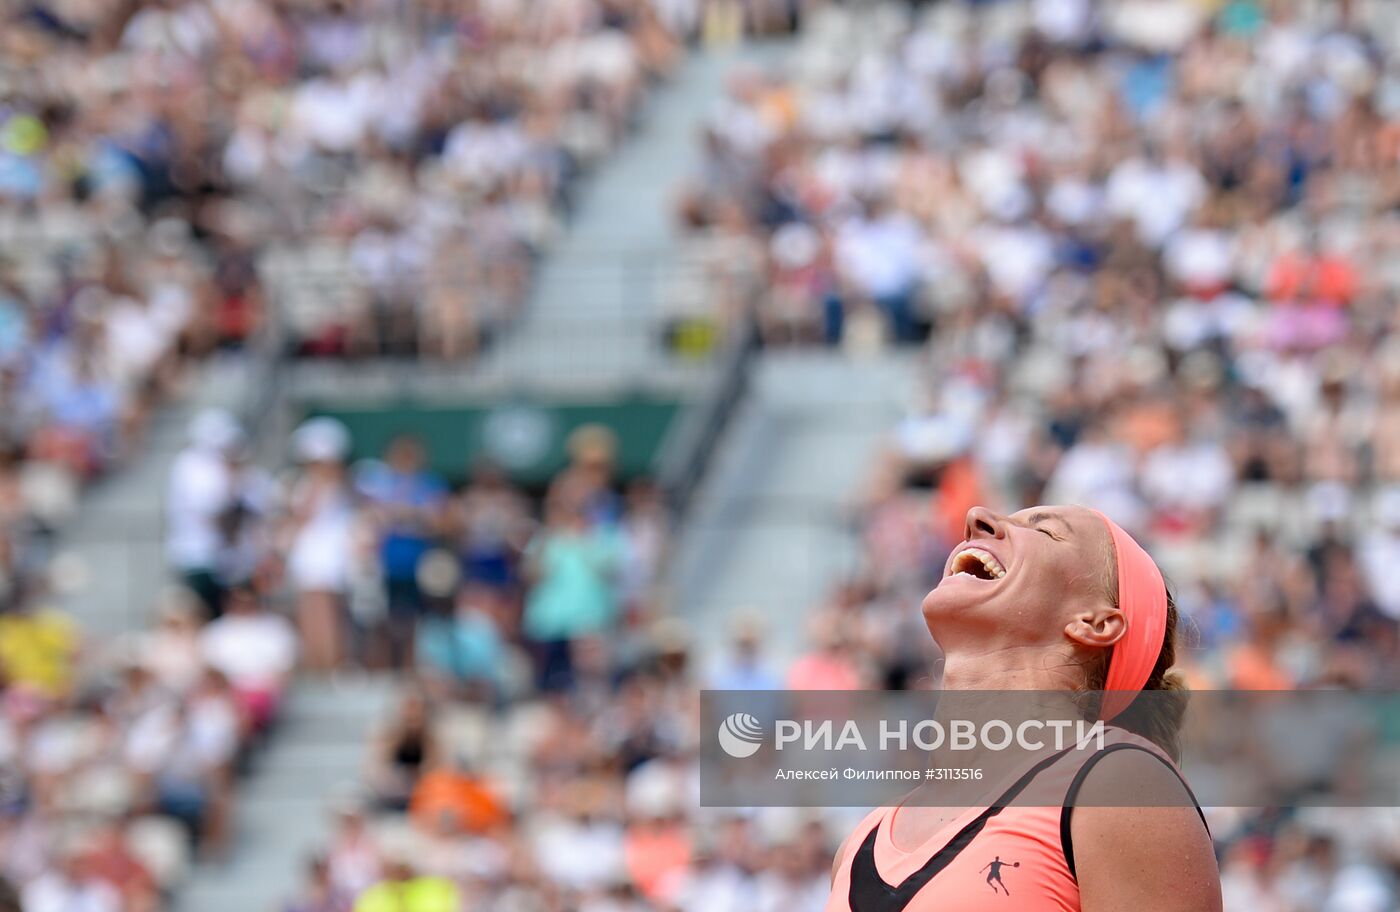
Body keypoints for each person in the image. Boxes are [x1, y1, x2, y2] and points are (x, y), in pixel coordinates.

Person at [826, 505, 1221, 911]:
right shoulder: (860, 841)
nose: (976, 518)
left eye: (1046, 531)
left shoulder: (1121, 785)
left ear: (1095, 622)